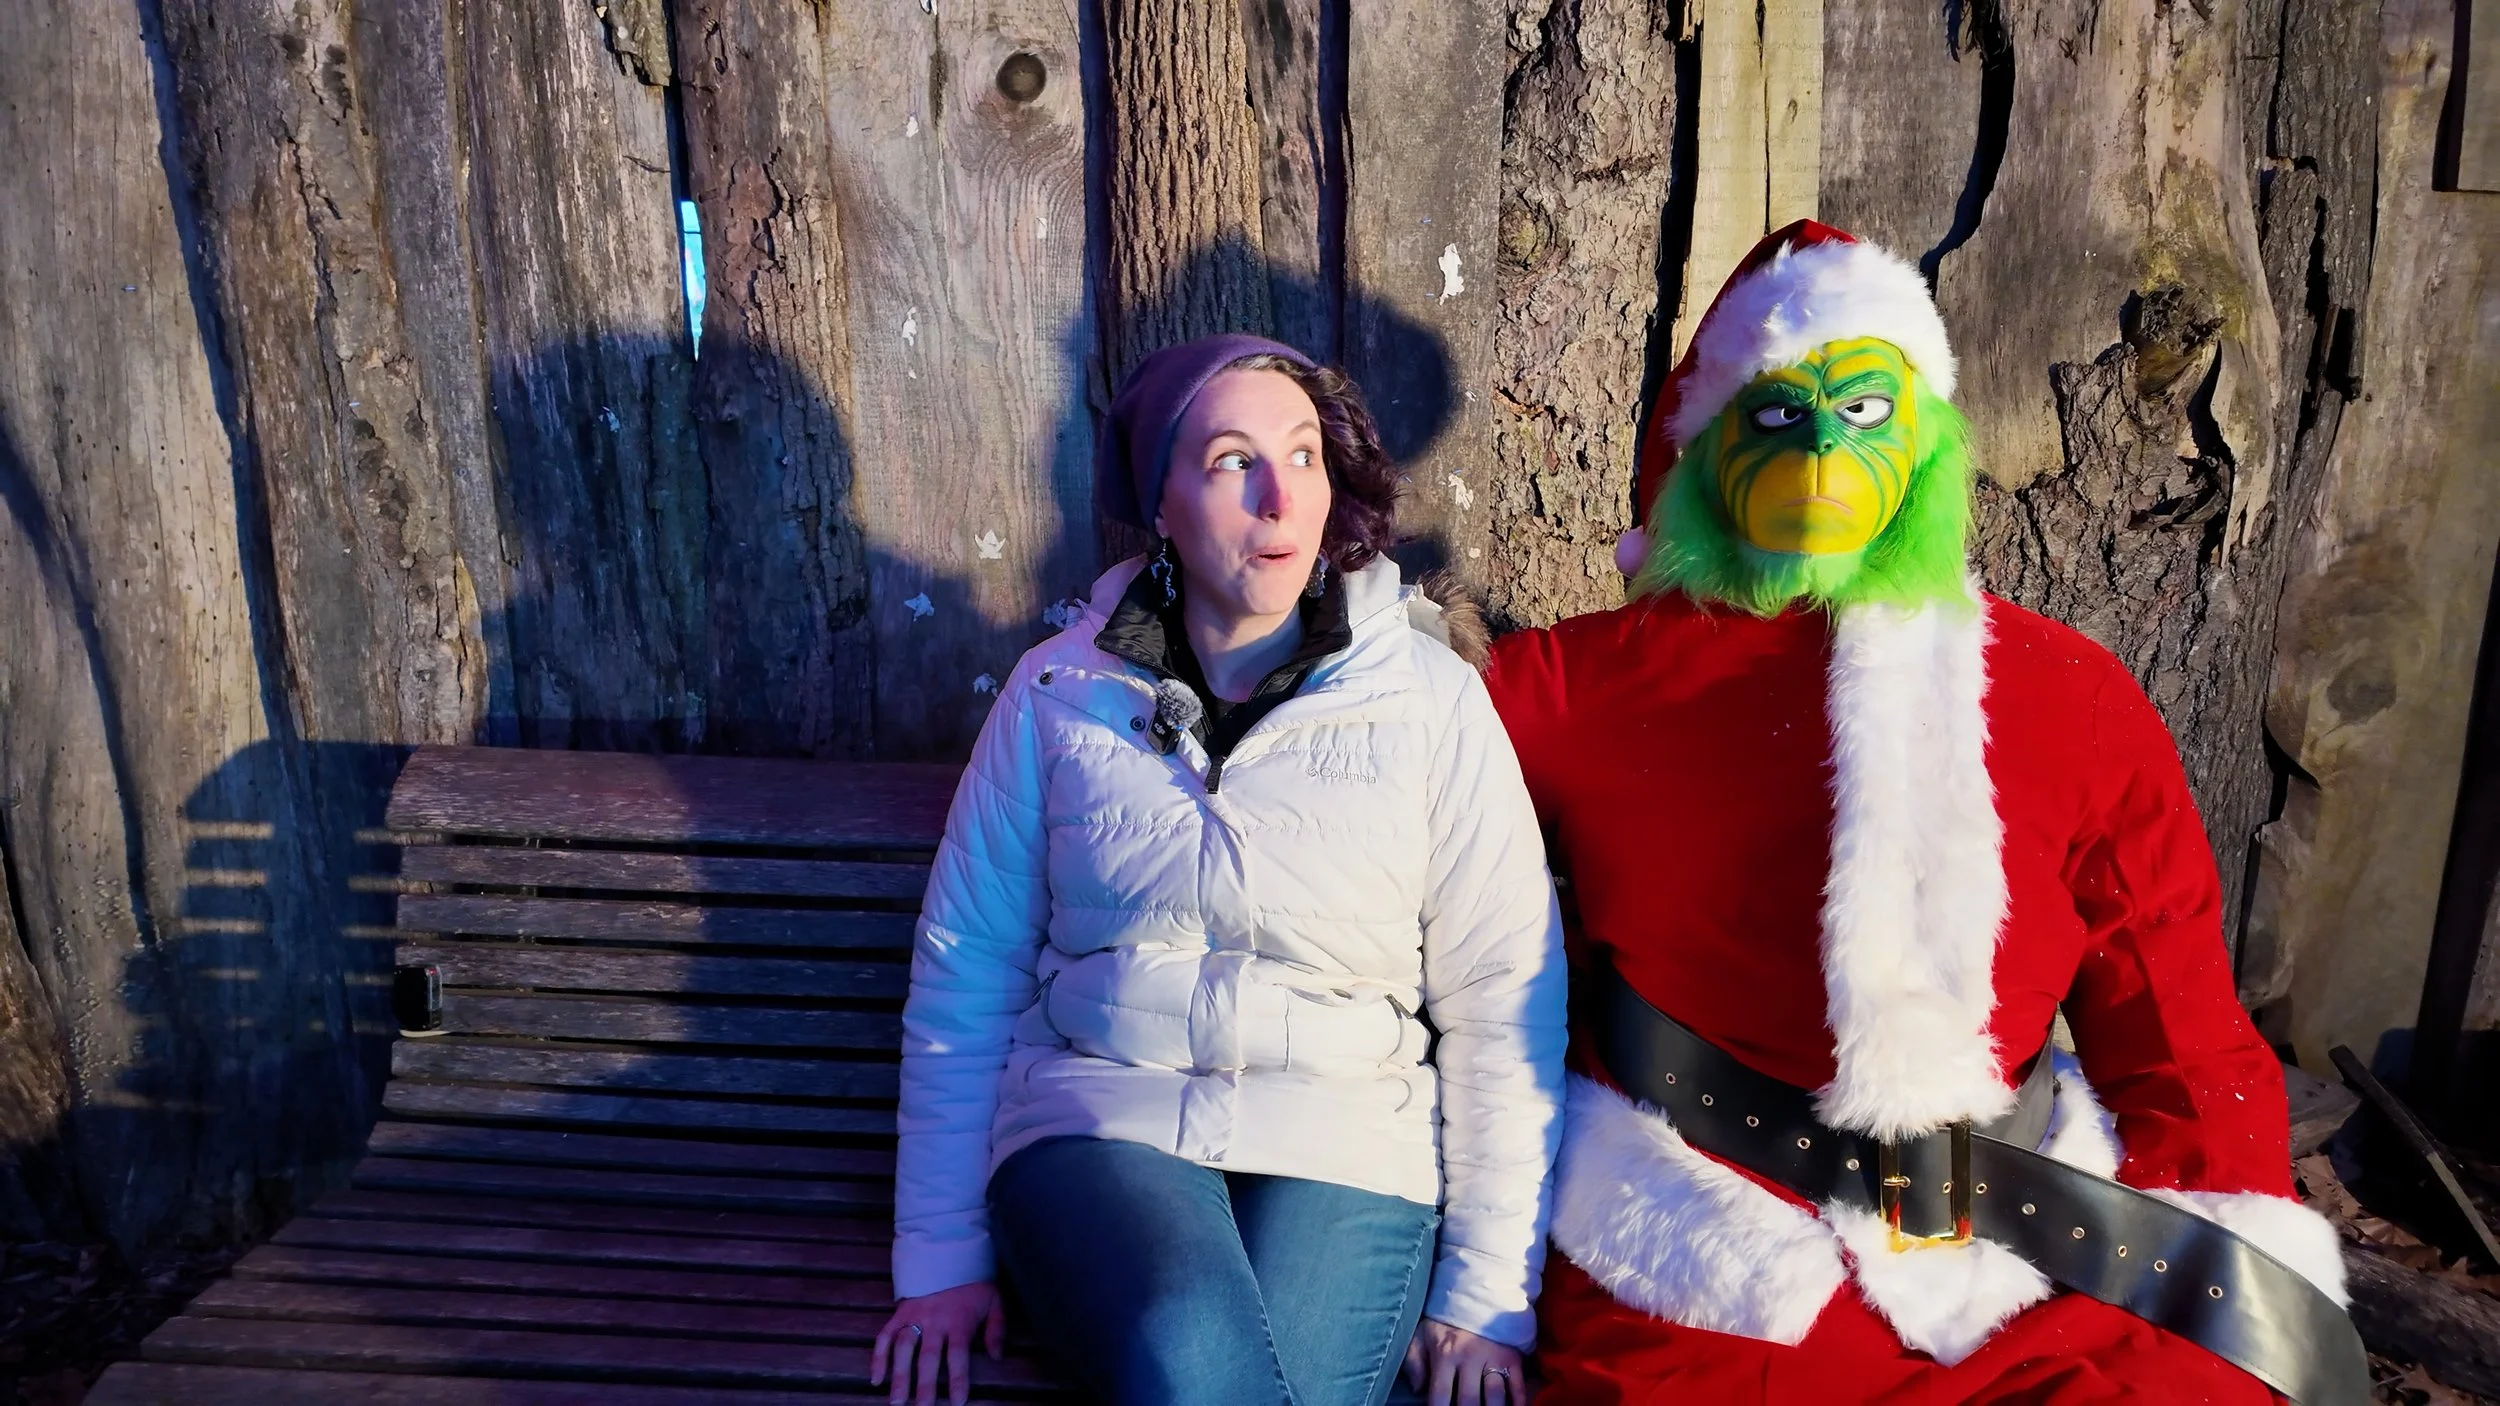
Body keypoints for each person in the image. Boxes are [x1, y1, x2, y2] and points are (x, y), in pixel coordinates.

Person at [1482, 222, 2363, 1404]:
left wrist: (2235, 1225)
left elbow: (2175, 1022)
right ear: (1701, 450)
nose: (1821, 452)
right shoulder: (1563, 686)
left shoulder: (2070, 691)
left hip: (2027, 1249)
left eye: (1860, 410)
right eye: (1779, 413)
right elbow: (1382, 825)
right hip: (1697, 1247)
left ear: (1928, 444)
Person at [869, 333, 1568, 1406]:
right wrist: (941, 1261)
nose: (1280, 499)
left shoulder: (1428, 699)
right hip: (1101, 1123)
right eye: (1232, 461)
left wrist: (1484, 1293)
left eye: (1302, 456)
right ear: (1160, 504)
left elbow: (1502, 994)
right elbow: (967, 976)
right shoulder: (1059, 694)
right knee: (1192, 1347)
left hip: (1348, 1145)